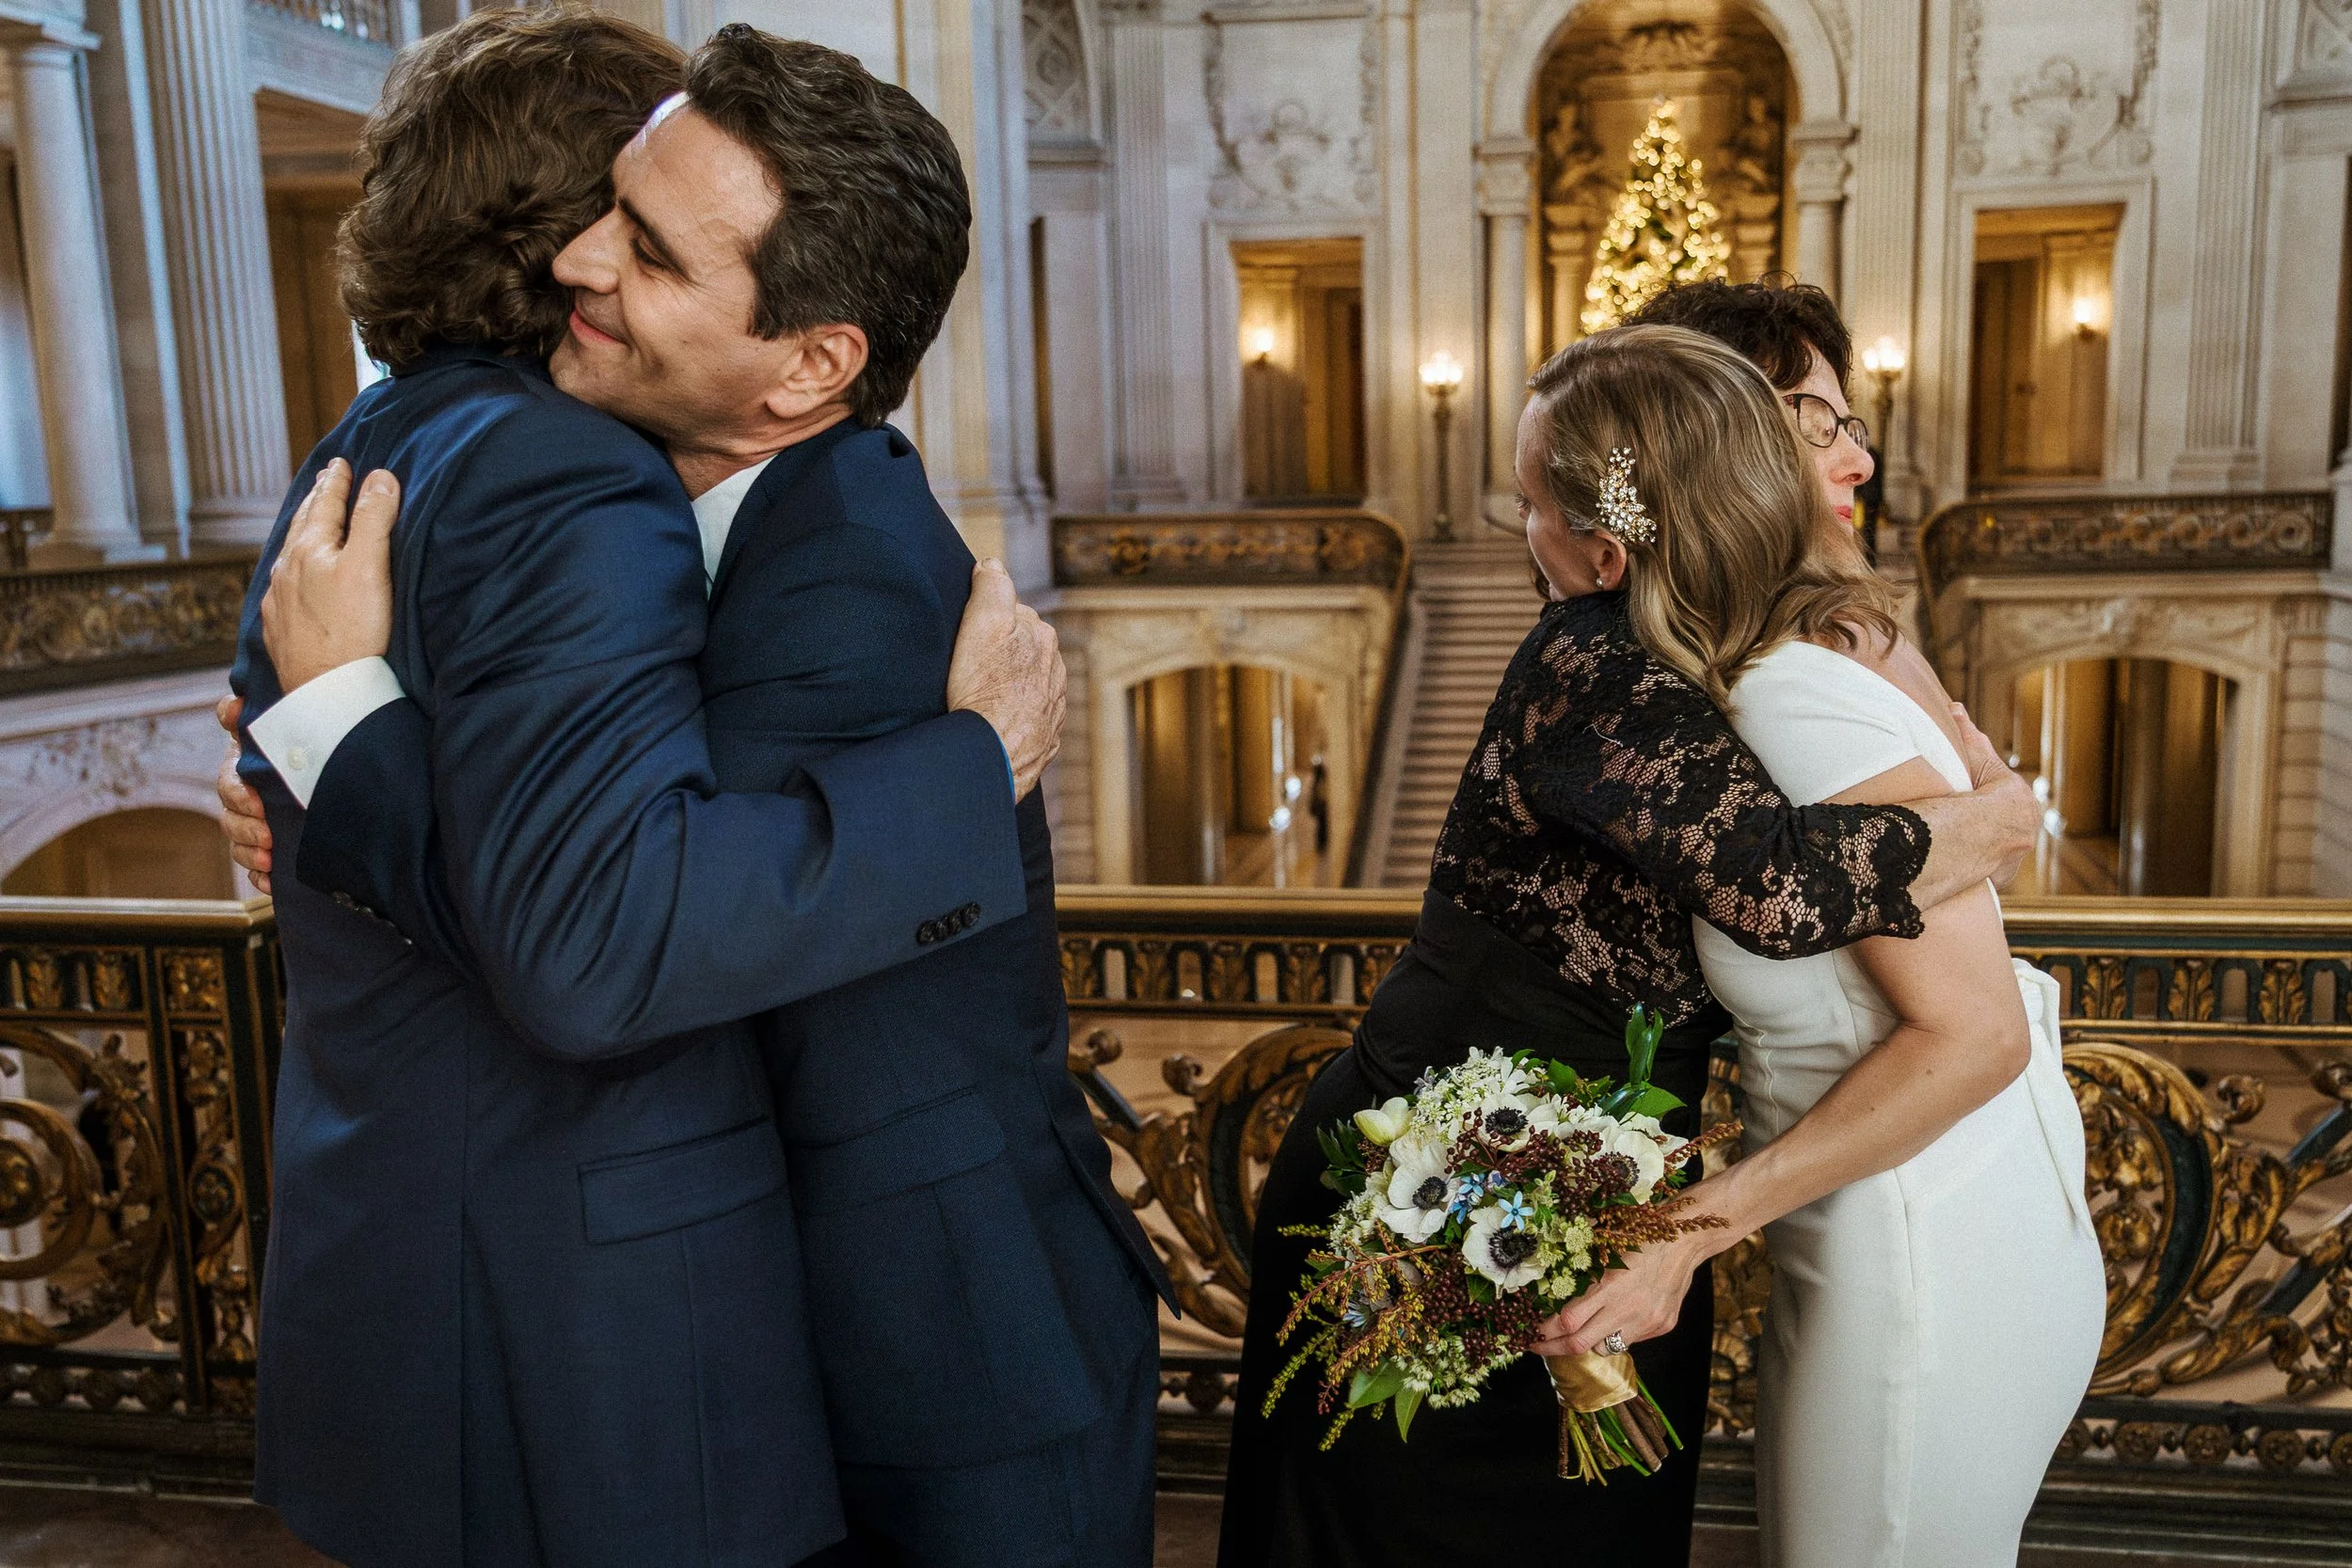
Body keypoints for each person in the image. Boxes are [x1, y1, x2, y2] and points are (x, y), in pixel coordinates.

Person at [222, 13, 1161, 1568]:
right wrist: (329, 764)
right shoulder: (606, 488)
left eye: (648, 246)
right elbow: (585, 894)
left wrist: (348, 753)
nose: (581, 262)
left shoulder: (849, 578)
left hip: (955, 1343)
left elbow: (597, 946)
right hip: (756, 1328)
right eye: (606, 207)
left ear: (811, 366)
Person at [1219, 366, 2043, 1568]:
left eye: (1530, 510)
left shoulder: (1704, 660)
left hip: (1611, 1192)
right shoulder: (1587, 666)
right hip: (1411, 1179)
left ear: (1609, 550)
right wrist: (1999, 816)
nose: (1521, 539)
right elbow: (1775, 886)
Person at [1531, 327, 2104, 1564]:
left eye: (1542, 504)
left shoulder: (1783, 692)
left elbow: (1979, 1029)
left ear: (1619, 521)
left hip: (1917, 1239)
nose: (1531, 537)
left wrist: (1690, 1227)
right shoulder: (1794, 663)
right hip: (1905, 1211)